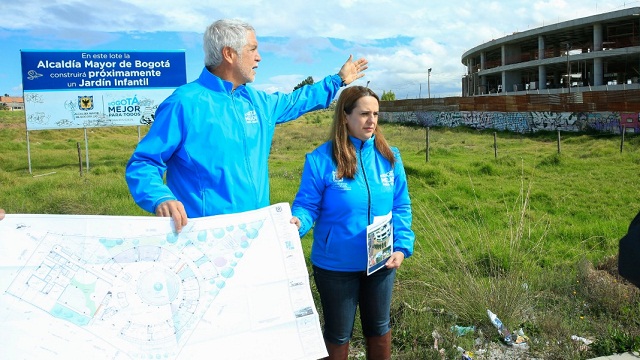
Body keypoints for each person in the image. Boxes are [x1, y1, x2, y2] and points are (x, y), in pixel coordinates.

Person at [125, 19, 368, 232]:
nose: (259, 57)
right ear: (229, 54)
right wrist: (160, 197)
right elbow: (143, 163)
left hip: (255, 233)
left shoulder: (257, 102)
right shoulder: (183, 103)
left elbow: (297, 100)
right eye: (252, 49)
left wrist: (338, 80)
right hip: (203, 237)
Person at [290, 86, 415, 360]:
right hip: (336, 266)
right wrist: (297, 222)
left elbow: (401, 205)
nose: (371, 120)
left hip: (382, 261)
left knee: (379, 328)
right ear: (345, 116)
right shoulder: (321, 159)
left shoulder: (390, 157)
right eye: (363, 114)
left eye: (375, 114)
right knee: (337, 334)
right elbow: (308, 205)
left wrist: (402, 246)